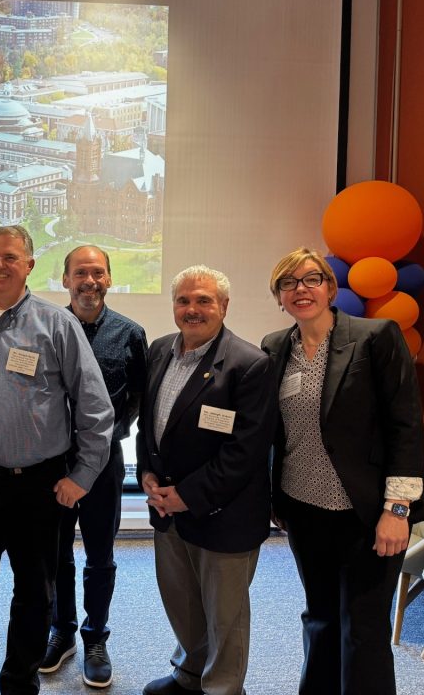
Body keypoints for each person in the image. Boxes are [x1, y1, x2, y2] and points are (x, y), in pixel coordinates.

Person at [0, 225, 114, 695]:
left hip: (38, 482)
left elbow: (96, 407)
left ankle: (19, 677)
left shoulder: (57, 324)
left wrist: (82, 476)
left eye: (11, 258)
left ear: (30, 265)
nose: (0, 265)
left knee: (34, 589)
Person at [261, 247, 424, 695]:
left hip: (369, 512)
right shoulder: (275, 347)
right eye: (288, 283)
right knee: (319, 617)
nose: (301, 289)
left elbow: (406, 425)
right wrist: (275, 500)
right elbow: (272, 433)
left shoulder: (377, 337)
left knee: (364, 626)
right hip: (303, 508)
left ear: (331, 288)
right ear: (279, 296)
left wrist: (397, 508)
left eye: (312, 278)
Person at [137, 265, 276, 695]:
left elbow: (245, 453)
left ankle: (222, 689)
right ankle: (189, 675)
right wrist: (146, 474)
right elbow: (149, 424)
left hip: (224, 514)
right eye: (184, 300)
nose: (192, 309)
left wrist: (185, 496)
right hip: (167, 506)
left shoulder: (250, 365)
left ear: (224, 307)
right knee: (183, 604)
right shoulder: (160, 349)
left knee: (224, 615)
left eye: (204, 301)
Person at [40, 246, 148, 689]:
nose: (90, 281)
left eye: (98, 273)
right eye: (80, 273)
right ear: (64, 279)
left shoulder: (130, 333)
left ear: (109, 279)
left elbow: (140, 396)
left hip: (104, 461)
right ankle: (61, 631)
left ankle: (95, 638)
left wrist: (103, 439)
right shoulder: (44, 327)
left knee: (100, 557)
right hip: (51, 461)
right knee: (55, 555)